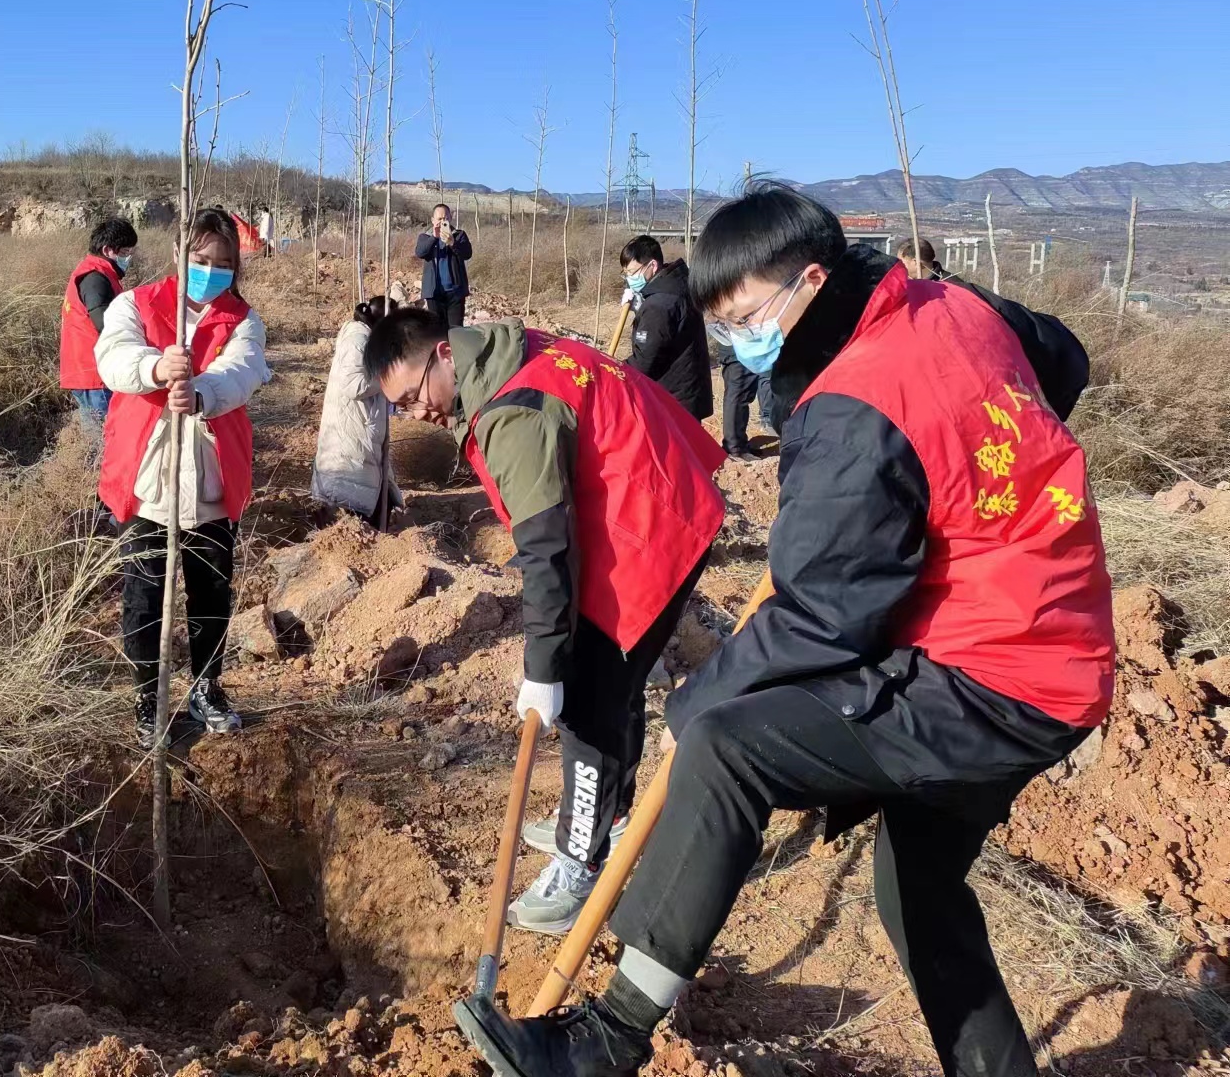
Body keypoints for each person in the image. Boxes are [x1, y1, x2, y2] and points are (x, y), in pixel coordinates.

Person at [458, 184, 1112, 1077]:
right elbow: (1063, 360)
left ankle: (604, 1043)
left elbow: (822, 615)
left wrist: (699, 701)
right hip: (1060, 637)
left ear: (813, 279)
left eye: (749, 317)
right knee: (917, 888)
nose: (739, 343)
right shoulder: (947, 304)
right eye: (722, 324)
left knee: (729, 745)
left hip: (994, 674)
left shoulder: (855, 406)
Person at [366, 309, 725, 934]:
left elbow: (547, 550)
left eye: (413, 396)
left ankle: (580, 862)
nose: (414, 413)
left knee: (587, 700)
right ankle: (600, 815)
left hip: (647, 531)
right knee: (611, 687)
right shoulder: (504, 352)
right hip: (646, 499)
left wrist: (543, 668)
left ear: (445, 355)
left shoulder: (512, 411)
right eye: (398, 407)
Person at [96, 207, 270, 744]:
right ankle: (149, 698)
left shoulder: (243, 319)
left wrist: (201, 393)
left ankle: (206, 687)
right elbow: (113, 357)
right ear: (178, 254)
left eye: (222, 262)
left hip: (213, 479)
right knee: (145, 593)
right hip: (147, 480)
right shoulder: (136, 304)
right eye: (200, 259)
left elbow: (243, 371)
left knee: (211, 590)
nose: (211, 270)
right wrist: (155, 367)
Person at [310, 297, 403, 522]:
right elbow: (353, 384)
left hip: (362, 427)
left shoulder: (366, 337)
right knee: (351, 499)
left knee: (374, 493)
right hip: (353, 429)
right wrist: (390, 373)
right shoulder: (358, 338)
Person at [619, 235, 711, 421]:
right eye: (625, 273)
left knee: (675, 448)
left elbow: (645, 361)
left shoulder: (659, 304)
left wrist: (617, 370)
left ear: (652, 266)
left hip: (672, 397)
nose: (629, 278)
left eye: (632, 272)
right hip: (689, 389)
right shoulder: (679, 284)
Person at [59, 217, 139, 427]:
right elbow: (106, 324)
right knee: (104, 441)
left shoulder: (94, 272)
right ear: (107, 250)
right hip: (95, 374)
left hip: (87, 372)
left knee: (98, 439)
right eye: (124, 252)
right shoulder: (95, 278)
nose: (128, 258)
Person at [414, 203, 473, 328]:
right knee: (436, 330)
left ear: (450, 218)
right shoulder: (425, 237)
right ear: (433, 220)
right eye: (439, 219)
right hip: (434, 293)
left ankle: (455, 348)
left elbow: (467, 254)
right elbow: (420, 252)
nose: (442, 221)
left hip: (455, 292)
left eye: (445, 218)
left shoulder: (459, 235)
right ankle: (439, 348)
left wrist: (453, 243)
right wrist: (434, 238)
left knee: (456, 331)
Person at [715, 341, 774, 461]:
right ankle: (734, 449)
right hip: (739, 346)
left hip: (741, 346)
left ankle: (740, 444)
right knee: (738, 395)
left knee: (742, 395)